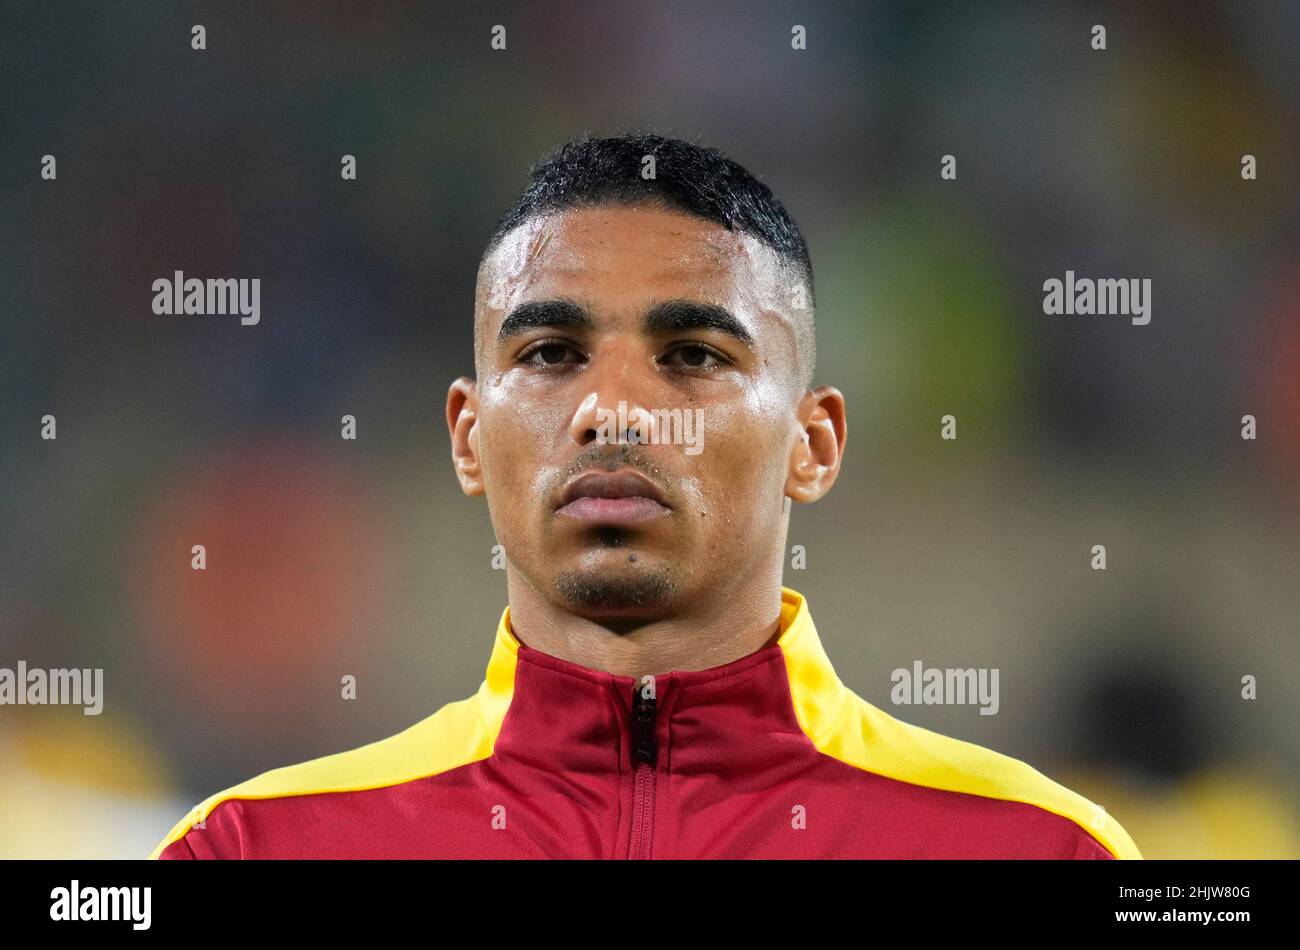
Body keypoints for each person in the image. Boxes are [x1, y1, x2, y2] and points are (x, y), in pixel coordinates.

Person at [151, 133, 1141, 859]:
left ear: (814, 440)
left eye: (692, 355)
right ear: (466, 434)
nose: (613, 413)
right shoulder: (252, 848)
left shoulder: (1038, 850)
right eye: (550, 353)